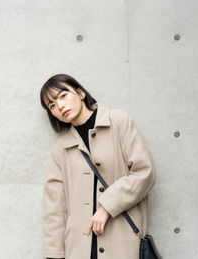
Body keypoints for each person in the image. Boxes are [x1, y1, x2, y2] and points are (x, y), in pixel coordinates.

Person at [40, 74, 157, 259]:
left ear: (80, 93)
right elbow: (55, 209)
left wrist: (106, 207)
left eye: (63, 96)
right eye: (52, 105)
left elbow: (144, 173)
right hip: (79, 249)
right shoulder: (60, 150)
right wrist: (54, 255)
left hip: (122, 243)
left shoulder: (118, 122)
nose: (59, 106)